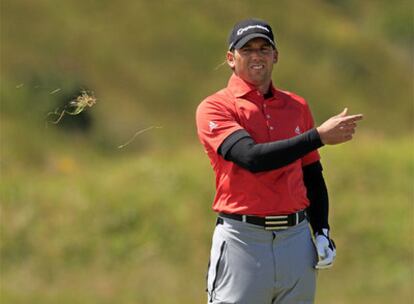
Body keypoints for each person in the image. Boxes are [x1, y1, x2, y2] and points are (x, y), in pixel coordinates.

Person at [195, 18, 363, 304]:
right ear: (230, 59)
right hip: (242, 240)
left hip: (296, 240)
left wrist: (321, 230)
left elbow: (311, 172)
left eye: (264, 48)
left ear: (276, 56)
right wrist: (318, 136)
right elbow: (251, 158)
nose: (257, 56)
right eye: (247, 49)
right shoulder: (215, 107)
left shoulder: (296, 106)